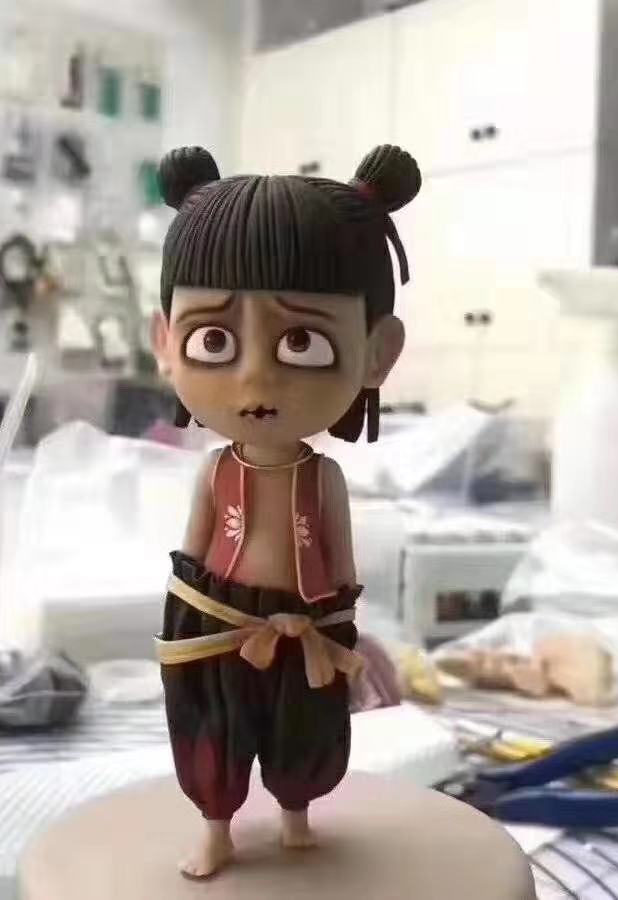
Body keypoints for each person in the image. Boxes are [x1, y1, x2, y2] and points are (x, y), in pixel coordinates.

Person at [150, 144, 420, 878]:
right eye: (214, 339)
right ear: (165, 344)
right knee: (213, 729)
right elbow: (189, 558)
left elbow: (342, 559)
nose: (256, 378)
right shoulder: (214, 471)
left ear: (376, 354)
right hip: (216, 622)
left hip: (311, 620)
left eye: (301, 341)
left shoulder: (323, 477)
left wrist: (335, 621)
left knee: (304, 730)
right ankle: (217, 827)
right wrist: (185, 631)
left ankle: (296, 815)